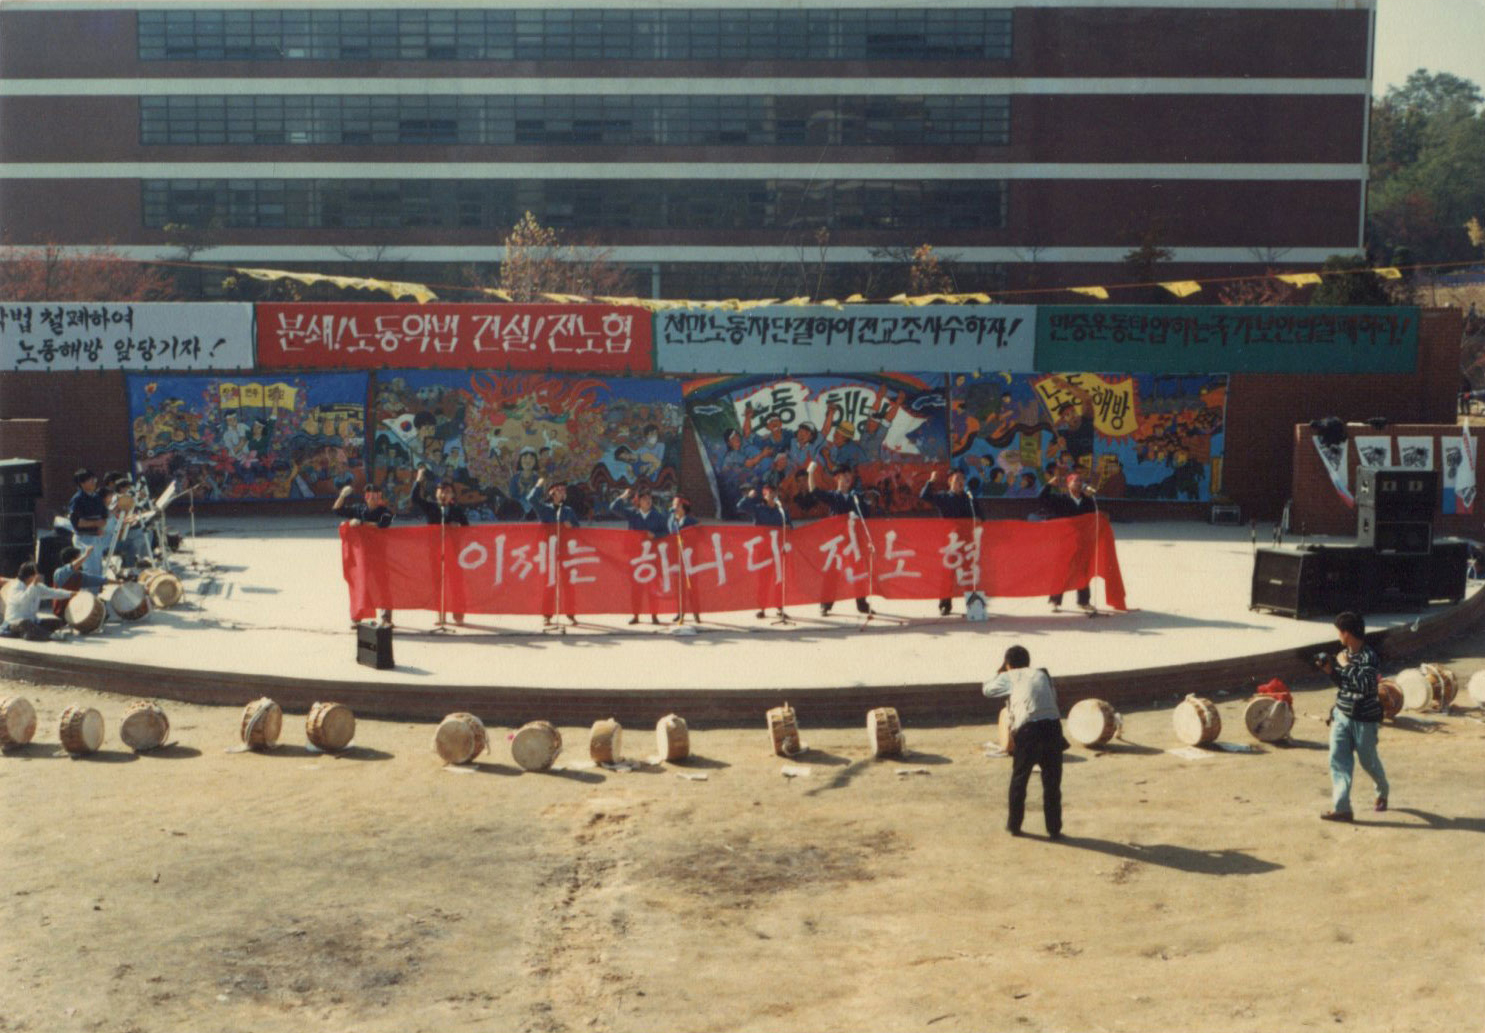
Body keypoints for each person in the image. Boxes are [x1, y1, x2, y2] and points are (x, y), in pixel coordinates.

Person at [982, 644, 1066, 839]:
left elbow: (987, 690)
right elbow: (1053, 698)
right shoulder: (1043, 674)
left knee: (1020, 779)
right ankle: (1054, 829)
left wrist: (1000, 672)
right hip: (1053, 728)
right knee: (1052, 783)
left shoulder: (1010, 676)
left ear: (1008, 664)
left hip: (1029, 731)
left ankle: (1014, 826)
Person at [1316, 611, 1389, 822]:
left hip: (1364, 719)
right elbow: (1344, 684)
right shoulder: (1343, 654)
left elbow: (1366, 685)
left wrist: (1345, 665)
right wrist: (1331, 671)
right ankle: (1342, 808)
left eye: (1339, 632)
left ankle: (1382, 789)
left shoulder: (1368, 656)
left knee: (1368, 761)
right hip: (1342, 714)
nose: (1338, 636)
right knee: (1338, 759)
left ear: (1346, 633)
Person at [799, 461, 872, 616]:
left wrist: (858, 515)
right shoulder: (833, 496)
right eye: (843, 475)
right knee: (832, 573)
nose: (847, 477)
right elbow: (814, 491)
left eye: (849, 474)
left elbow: (866, 515)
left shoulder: (856, 497)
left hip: (853, 541)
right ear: (836, 478)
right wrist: (810, 473)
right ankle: (825, 605)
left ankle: (862, 604)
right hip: (836, 542)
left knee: (858, 571)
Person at [413, 466, 469, 626]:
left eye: (448, 491)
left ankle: (458, 614)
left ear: (452, 495)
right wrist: (419, 480)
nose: (444, 494)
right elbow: (415, 498)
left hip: (454, 552)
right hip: (435, 551)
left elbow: (467, 529)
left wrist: (458, 526)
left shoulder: (457, 510)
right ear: (436, 493)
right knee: (437, 584)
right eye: (441, 491)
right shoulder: (431, 507)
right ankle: (440, 614)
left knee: (456, 583)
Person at [335, 481, 395, 626]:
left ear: (380, 497)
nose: (372, 498)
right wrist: (342, 495)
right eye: (369, 495)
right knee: (360, 583)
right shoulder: (358, 509)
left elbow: (382, 525)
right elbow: (337, 510)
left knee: (382, 584)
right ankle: (357, 616)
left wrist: (362, 523)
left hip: (379, 553)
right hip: (361, 555)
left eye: (375, 496)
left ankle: (386, 618)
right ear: (366, 497)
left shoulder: (386, 511)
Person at [919, 469, 976, 616]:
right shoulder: (943, 497)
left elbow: (980, 515)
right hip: (950, 542)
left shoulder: (969, 498)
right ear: (950, 481)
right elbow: (924, 496)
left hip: (966, 541)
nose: (960, 482)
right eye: (957, 480)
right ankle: (945, 604)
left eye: (962, 479)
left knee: (969, 573)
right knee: (947, 574)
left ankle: (973, 606)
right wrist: (931, 481)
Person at [1040, 472, 1097, 613]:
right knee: (1061, 570)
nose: (1078, 483)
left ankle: (1083, 601)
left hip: (1082, 541)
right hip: (1064, 541)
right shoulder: (1061, 499)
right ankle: (1055, 601)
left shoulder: (1088, 500)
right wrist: (1049, 485)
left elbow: (1093, 518)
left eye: (1080, 481)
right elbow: (1041, 498)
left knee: (1083, 571)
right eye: (1075, 481)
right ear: (1068, 484)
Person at [527, 478, 580, 626]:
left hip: (565, 551)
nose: (562, 493)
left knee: (568, 584)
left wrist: (571, 526)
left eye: (564, 490)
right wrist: (538, 485)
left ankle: (571, 614)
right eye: (559, 490)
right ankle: (547, 615)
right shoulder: (544, 509)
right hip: (549, 551)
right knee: (549, 583)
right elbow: (531, 499)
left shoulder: (568, 511)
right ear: (552, 493)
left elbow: (578, 529)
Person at [614, 488, 668, 625]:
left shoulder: (658, 516)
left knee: (653, 587)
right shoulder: (633, 514)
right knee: (636, 588)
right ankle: (636, 615)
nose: (648, 501)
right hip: (636, 556)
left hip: (652, 557)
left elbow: (666, 532)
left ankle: (654, 615)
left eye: (649, 498)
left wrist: (655, 535)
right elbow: (614, 508)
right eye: (644, 499)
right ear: (638, 502)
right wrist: (624, 496)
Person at [738, 483, 792, 619]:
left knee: (779, 579)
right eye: (770, 493)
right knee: (764, 580)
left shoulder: (782, 511)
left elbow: (790, 526)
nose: (773, 495)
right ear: (764, 495)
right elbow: (740, 507)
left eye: (775, 492)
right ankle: (762, 608)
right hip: (763, 550)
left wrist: (788, 527)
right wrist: (749, 497)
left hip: (778, 550)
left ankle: (780, 607)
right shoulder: (758, 509)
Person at [1, 562, 77, 641]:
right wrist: (33, 586)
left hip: (33, 621)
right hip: (15, 622)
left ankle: (32, 633)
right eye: (36, 574)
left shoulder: (37, 586)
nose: (39, 576)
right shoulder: (15, 587)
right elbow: (23, 600)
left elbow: (53, 592)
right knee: (26, 624)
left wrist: (71, 594)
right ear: (30, 576)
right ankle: (49, 636)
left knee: (57, 622)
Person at [666, 495, 703, 625]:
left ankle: (696, 612)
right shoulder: (672, 519)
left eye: (677, 505)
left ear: (684, 507)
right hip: (675, 556)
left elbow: (700, 532)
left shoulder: (690, 520)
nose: (674, 507)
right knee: (678, 585)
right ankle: (680, 611)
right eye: (673, 504)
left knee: (692, 585)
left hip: (689, 557)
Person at [68, 468, 109, 579]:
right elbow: (78, 523)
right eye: (90, 480)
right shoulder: (78, 499)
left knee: (99, 570)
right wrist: (96, 524)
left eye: (94, 479)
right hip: (84, 539)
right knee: (90, 571)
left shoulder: (97, 497)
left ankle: (97, 590)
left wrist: (101, 525)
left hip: (97, 538)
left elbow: (104, 516)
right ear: (82, 483)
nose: (94, 482)